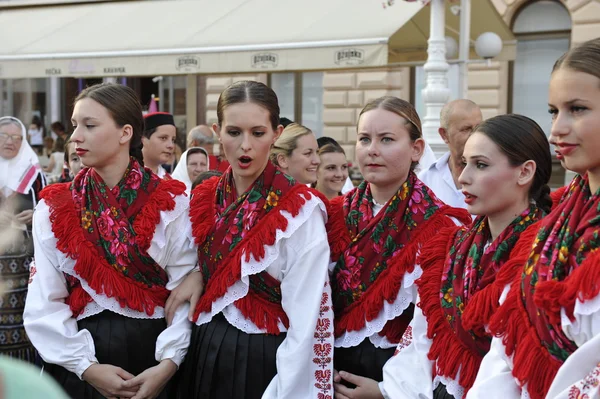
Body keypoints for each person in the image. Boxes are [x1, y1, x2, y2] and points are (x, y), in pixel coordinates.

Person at [336, 114, 552, 399]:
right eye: (464, 163)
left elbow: (517, 362)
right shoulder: (454, 246)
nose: (463, 177)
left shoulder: (543, 254)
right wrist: (389, 390)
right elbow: (423, 335)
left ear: (524, 172)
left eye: (481, 165)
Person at [23, 83, 197, 399]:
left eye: (89, 125)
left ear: (125, 133)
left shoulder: (171, 204)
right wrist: (86, 368)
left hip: (155, 357)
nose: (75, 136)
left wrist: (169, 363)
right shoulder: (54, 208)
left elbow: (183, 290)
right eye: (75, 125)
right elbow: (44, 302)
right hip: (81, 357)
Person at [172, 80, 334, 399]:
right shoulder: (206, 197)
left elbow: (307, 320)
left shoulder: (299, 209)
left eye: (257, 133)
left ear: (275, 134)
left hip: (262, 359)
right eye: (234, 132)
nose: (245, 145)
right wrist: (197, 272)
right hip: (203, 349)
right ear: (218, 133)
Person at [467, 37, 600, 399]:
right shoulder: (556, 221)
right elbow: (509, 338)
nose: (557, 128)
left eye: (578, 109)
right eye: (554, 111)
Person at [327, 96, 472, 387]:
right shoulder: (332, 215)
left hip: (397, 369)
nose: (372, 151)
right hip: (329, 365)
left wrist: (388, 390)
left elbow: (434, 324)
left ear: (416, 148)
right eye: (364, 139)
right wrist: (317, 368)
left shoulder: (441, 227)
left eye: (387, 139)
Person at [0, 116, 45, 362]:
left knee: (23, 325)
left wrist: (36, 215)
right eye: (4, 136)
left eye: (16, 138)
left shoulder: (34, 173)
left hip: (24, 267)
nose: (10, 142)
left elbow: (48, 210)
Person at [418, 100, 483, 209]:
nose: (474, 136)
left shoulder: (493, 177)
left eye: (478, 128)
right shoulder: (426, 180)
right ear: (444, 134)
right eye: (466, 129)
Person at [142, 112, 177, 178]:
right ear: (143, 139)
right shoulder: (125, 176)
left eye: (173, 140)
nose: (171, 145)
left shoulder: (169, 180)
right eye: (163, 138)